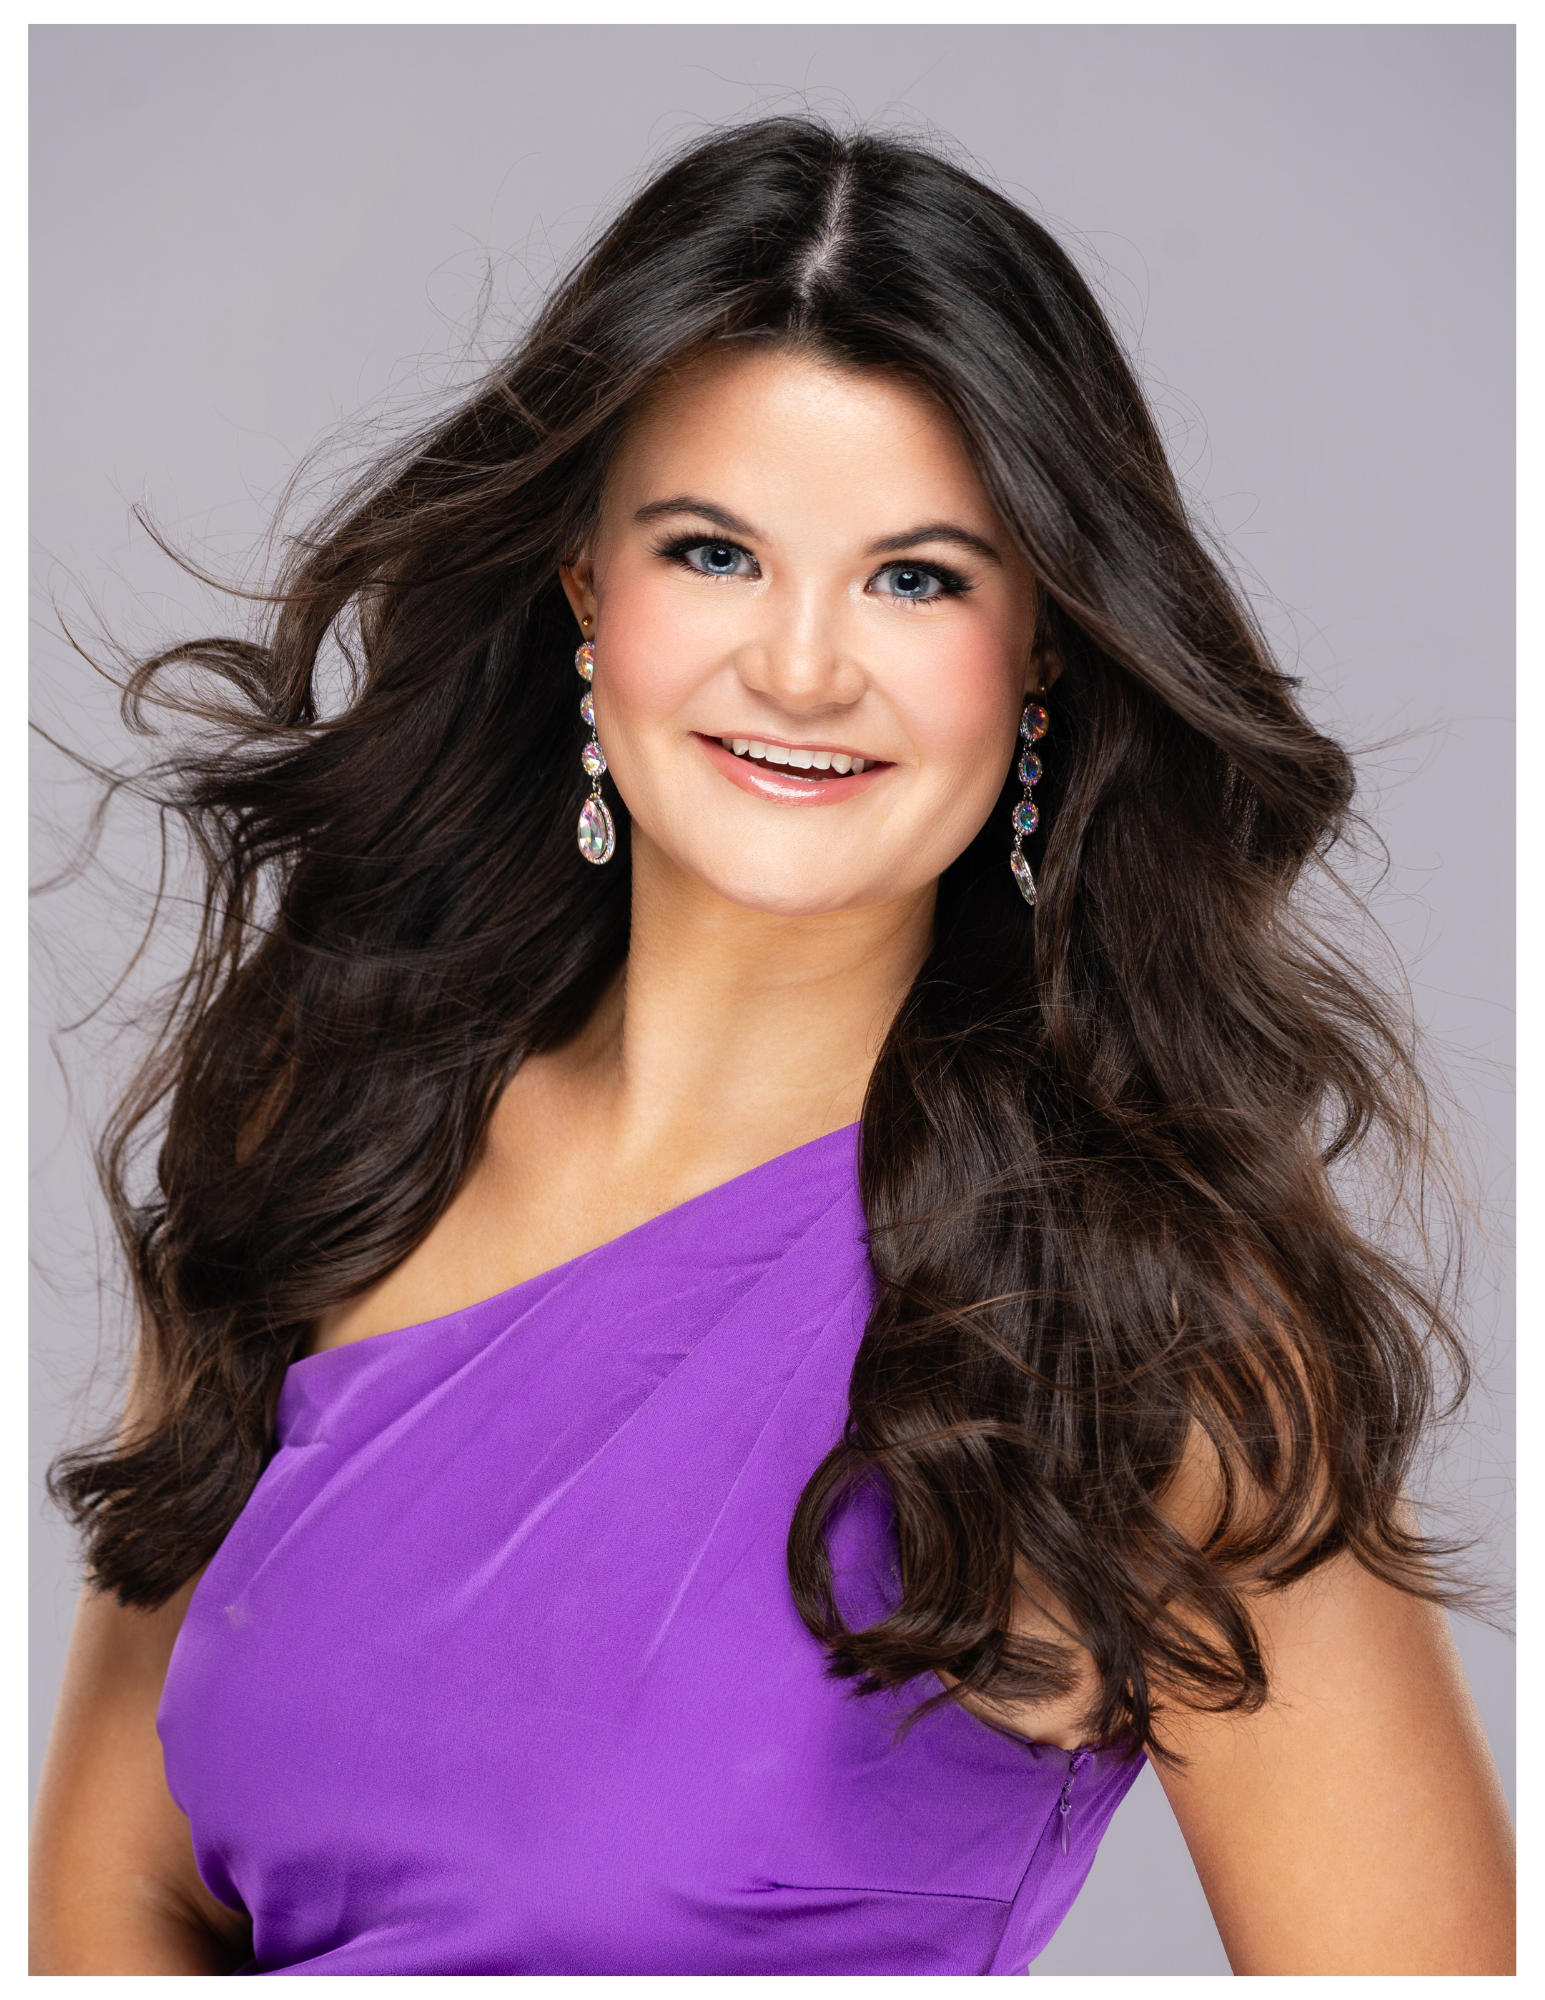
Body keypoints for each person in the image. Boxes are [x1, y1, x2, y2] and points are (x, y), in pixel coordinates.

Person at [28, 118, 1515, 1977]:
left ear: (1043, 645)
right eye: (715, 550)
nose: (803, 669)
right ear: (587, 585)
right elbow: (113, 1895)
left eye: (919, 577)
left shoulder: (1153, 1316)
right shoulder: (322, 1120)